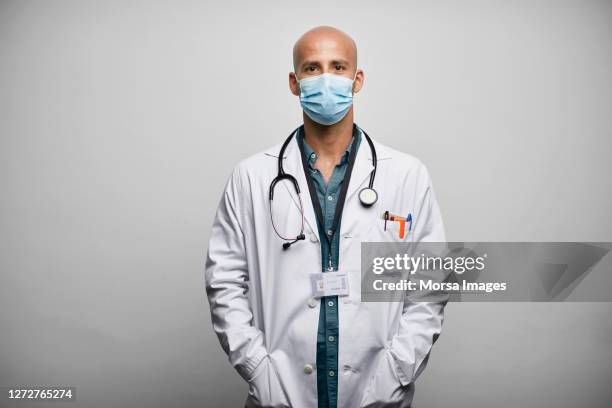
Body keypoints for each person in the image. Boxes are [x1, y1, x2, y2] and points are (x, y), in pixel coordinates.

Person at [205, 26, 446, 408]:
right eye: (312, 68)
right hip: (281, 392)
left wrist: (398, 371)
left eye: (338, 66)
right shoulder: (252, 176)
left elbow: (429, 282)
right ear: (294, 82)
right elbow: (224, 282)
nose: (327, 79)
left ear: (358, 79)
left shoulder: (406, 174)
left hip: (379, 393)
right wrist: (256, 368)